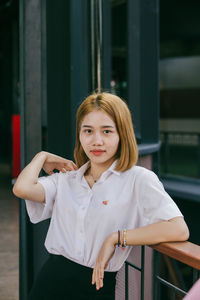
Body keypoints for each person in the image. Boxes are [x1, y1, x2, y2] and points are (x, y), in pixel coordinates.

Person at [13, 92, 189, 300]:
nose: (97, 141)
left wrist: (116, 238)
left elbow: (178, 229)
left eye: (107, 131)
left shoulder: (138, 179)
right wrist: (41, 157)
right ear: (79, 134)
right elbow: (22, 188)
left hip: (95, 287)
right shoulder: (67, 180)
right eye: (88, 131)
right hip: (50, 282)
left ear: (121, 134)